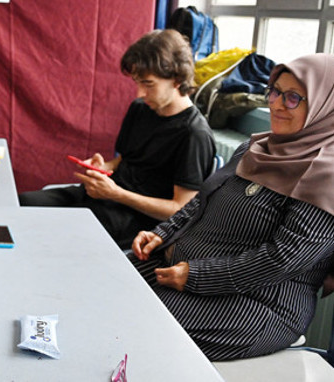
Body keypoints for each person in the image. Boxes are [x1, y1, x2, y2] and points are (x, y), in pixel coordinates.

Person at [130, 54, 334, 360]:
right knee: (102, 282)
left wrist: (198, 276)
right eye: (275, 92)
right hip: (185, 269)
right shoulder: (257, 147)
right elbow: (204, 199)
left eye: (293, 98)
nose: (277, 104)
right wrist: (164, 232)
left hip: (258, 304)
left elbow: (282, 260)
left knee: (130, 321)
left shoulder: (326, 175)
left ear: (324, 106)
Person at [19, 29, 216, 248]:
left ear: (177, 79)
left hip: (137, 219)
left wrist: (118, 194)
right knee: (22, 204)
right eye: (137, 82)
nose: (139, 93)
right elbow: (126, 159)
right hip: (106, 197)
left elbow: (180, 209)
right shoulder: (141, 108)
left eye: (148, 84)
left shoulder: (194, 134)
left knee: (46, 235)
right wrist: (104, 167)